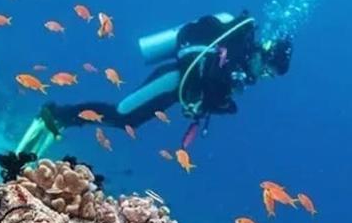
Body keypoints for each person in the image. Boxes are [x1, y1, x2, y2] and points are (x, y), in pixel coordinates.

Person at [15, 10, 292, 156]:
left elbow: (209, 91)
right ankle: (53, 116)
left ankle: (60, 119)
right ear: (265, 55)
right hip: (172, 79)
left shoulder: (236, 63)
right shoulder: (234, 49)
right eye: (268, 70)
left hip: (174, 89)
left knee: (129, 120)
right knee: (123, 113)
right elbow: (198, 71)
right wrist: (207, 98)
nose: (263, 76)